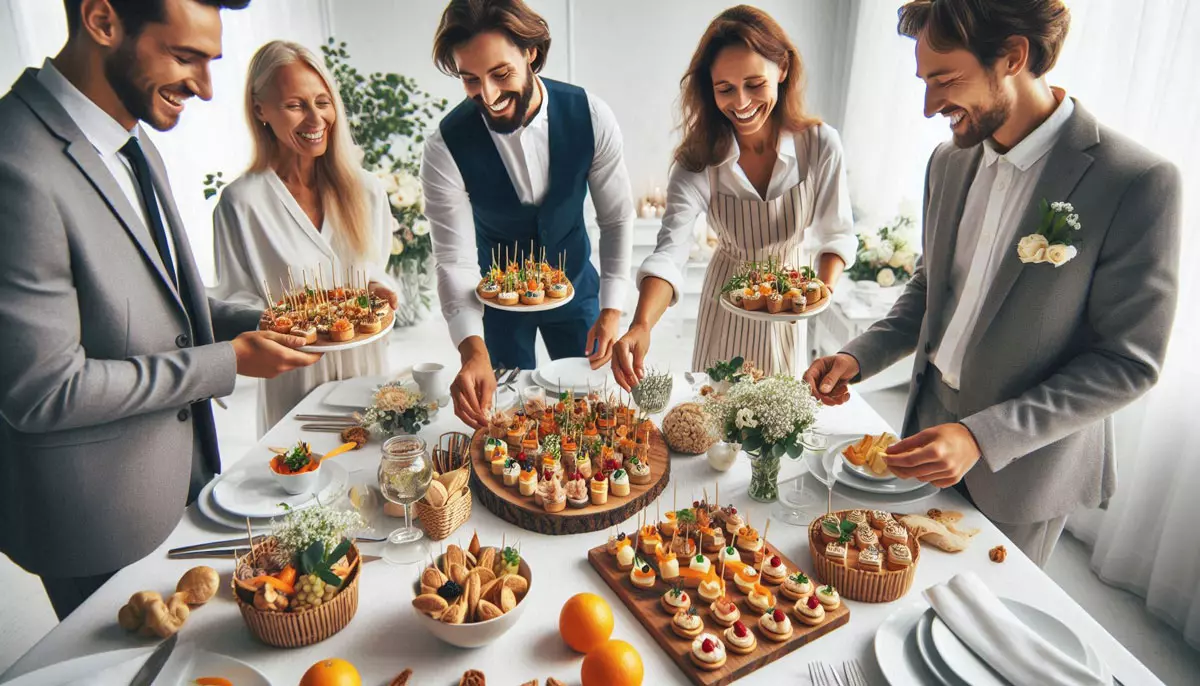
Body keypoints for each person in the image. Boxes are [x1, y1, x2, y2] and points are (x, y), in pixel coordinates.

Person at [804, 0, 1180, 567]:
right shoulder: (947, 163)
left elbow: (1129, 361)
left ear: (1013, 56)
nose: (930, 106)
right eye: (924, 82)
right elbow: (932, 291)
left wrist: (984, 436)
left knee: (979, 629)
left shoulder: (1136, 181)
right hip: (924, 431)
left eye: (945, 79)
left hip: (1023, 466)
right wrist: (858, 357)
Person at [0, 0, 323, 619]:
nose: (204, 87)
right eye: (185, 57)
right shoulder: (13, 163)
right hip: (96, 522)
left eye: (211, 61)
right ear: (101, 21)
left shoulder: (133, 138)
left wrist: (256, 321)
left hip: (187, 485)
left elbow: (163, 294)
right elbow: (42, 390)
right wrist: (224, 362)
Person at [611, 5, 856, 390]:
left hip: (788, 304)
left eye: (754, 84)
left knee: (777, 420)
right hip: (726, 302)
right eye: (725, 88)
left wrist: (815, 295)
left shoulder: (820, 145)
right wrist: (641, 325)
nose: (740, 103)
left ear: (783, 69)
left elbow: (836, 234)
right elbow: (670, 251)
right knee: (718, 413)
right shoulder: (698, 160)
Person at [421, 0, 634, 429]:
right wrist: (470, 350)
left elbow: (616, 219)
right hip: (495, 304)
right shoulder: (443, 147)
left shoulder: (592, 116)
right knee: (508, 420)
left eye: (501, 74)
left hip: (577, 289)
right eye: (470, 80)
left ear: (531, 52)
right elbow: (455, 259)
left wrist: (612, 310)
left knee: (590, 414)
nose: (490, 96)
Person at [210, 40, 398, 435]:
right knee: (300, 488)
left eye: (322, 101)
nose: (316, 119)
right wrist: (273, 322)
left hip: (366, 370)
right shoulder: (241, 203)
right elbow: (234, 301)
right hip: (294, 380)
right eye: (295, 105)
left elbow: (376, 269)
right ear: (260, 110)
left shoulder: (366, 189)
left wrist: (382, 288)